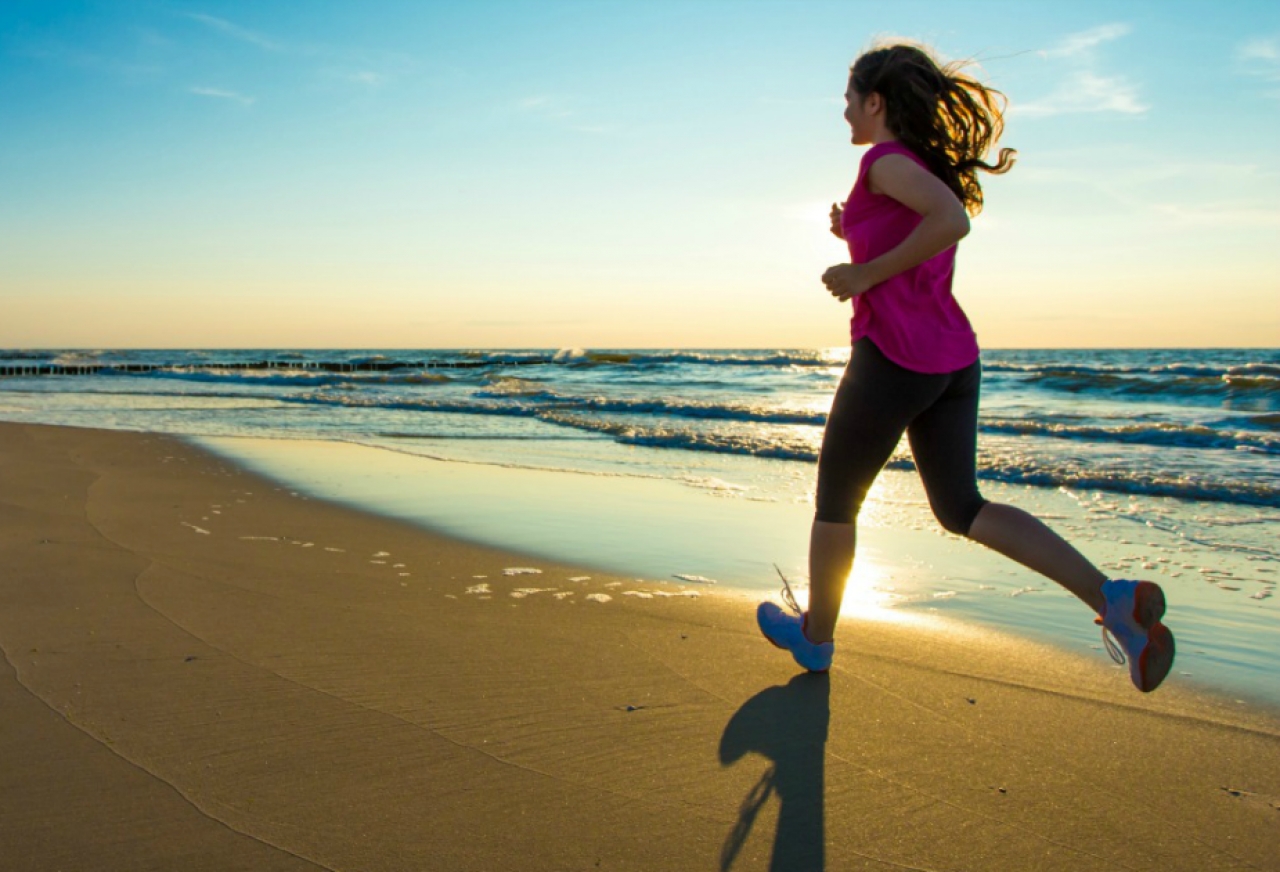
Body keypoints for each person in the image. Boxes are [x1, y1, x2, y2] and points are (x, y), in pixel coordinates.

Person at [757, 41, 1175, 693]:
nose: (843, 112)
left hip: (892, 358)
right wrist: (854, 234)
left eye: (849, 100)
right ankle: (1114, 601)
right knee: (961, 507)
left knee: (836, 500)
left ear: (876, 101)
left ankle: (816, 640)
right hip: (951, 361)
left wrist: (863, 270)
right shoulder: (914, 167)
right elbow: (926, 231)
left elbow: (951, 223)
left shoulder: (884, 161)